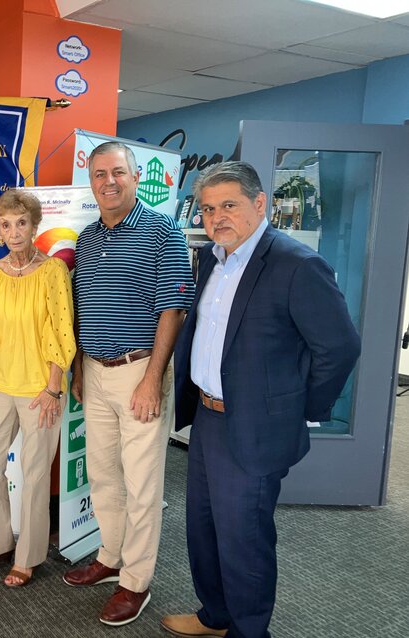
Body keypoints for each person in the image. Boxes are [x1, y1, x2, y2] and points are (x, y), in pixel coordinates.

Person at [161, 162, 360, 638]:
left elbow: (339, 347)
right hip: (208, 419)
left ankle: (251, 632)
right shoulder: (212, 257)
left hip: (254, 426)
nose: (216, 217)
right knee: (203, 528)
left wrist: (299, 410)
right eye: (208, 209)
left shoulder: (296, 264)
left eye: (228, 205)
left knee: (243, 539)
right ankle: (216, 617)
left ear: (259, 203)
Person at [63, 141, 194, 625]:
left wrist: (152, 379)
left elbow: (173, 310)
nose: (108, 182)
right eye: (99, 174)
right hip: (94, 373)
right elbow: (81, 311)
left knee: (141, 485)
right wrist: (78, 368)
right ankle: (109, 555)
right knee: (103, 476)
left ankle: (135, 581)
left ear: (136, 178)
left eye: (118, 172)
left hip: (141, 371)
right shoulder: (88, 239)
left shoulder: (163, 232)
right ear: (91, 180)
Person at [0, 190, 76, 587]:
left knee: (33, 473)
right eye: (6, 225)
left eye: (21, 223)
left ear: (34, 226)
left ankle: (27, 556)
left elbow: (62, 332)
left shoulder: (52, 272)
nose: (14, 232)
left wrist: (53, 389)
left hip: (40, 392)